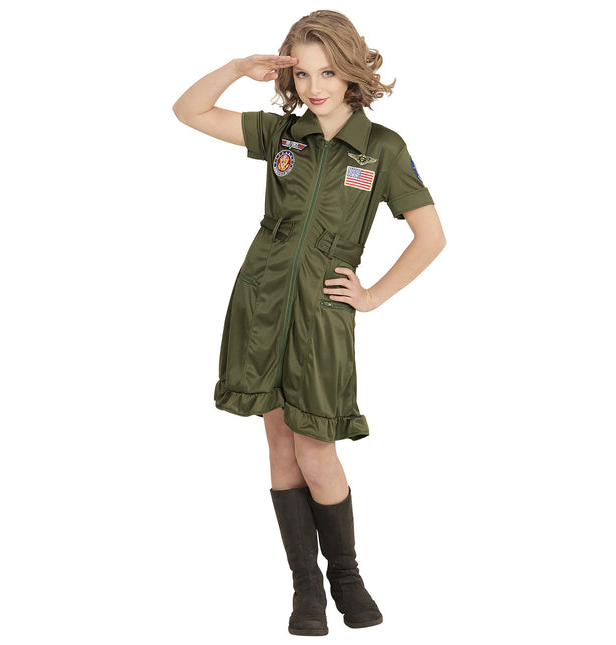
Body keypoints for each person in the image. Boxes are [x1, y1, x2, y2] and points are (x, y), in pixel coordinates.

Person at [172, 9, 446, 636]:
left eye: (328, 72)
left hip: (323, 312)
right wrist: (236, 68)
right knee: (279, 442)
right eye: (303, 73)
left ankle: (347, 577)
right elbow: (189, 111)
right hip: (262, 302)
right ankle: (306, 589)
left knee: (316, 447)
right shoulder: (282, 134)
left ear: (351, 72)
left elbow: (431, 237)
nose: (314, 86)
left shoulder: (383, 149)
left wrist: (370, 296)